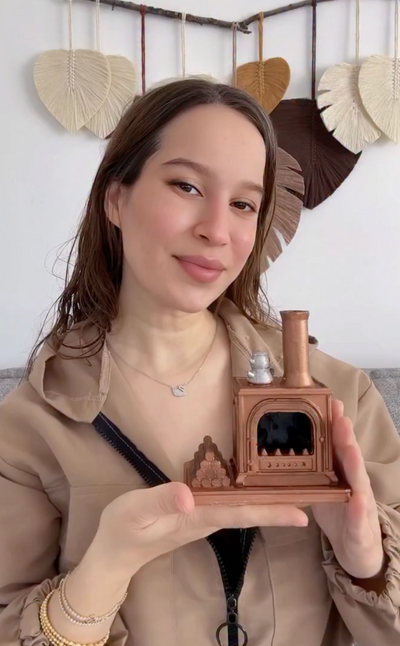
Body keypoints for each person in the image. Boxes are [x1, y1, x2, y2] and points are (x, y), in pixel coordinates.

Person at [0, 78, 399, 646]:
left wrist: (367, 563)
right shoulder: (28, 428)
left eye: (242, 204)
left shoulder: (340, 396)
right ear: (116, 199)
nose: (216, 230)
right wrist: (106, 568)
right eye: (186, 186)